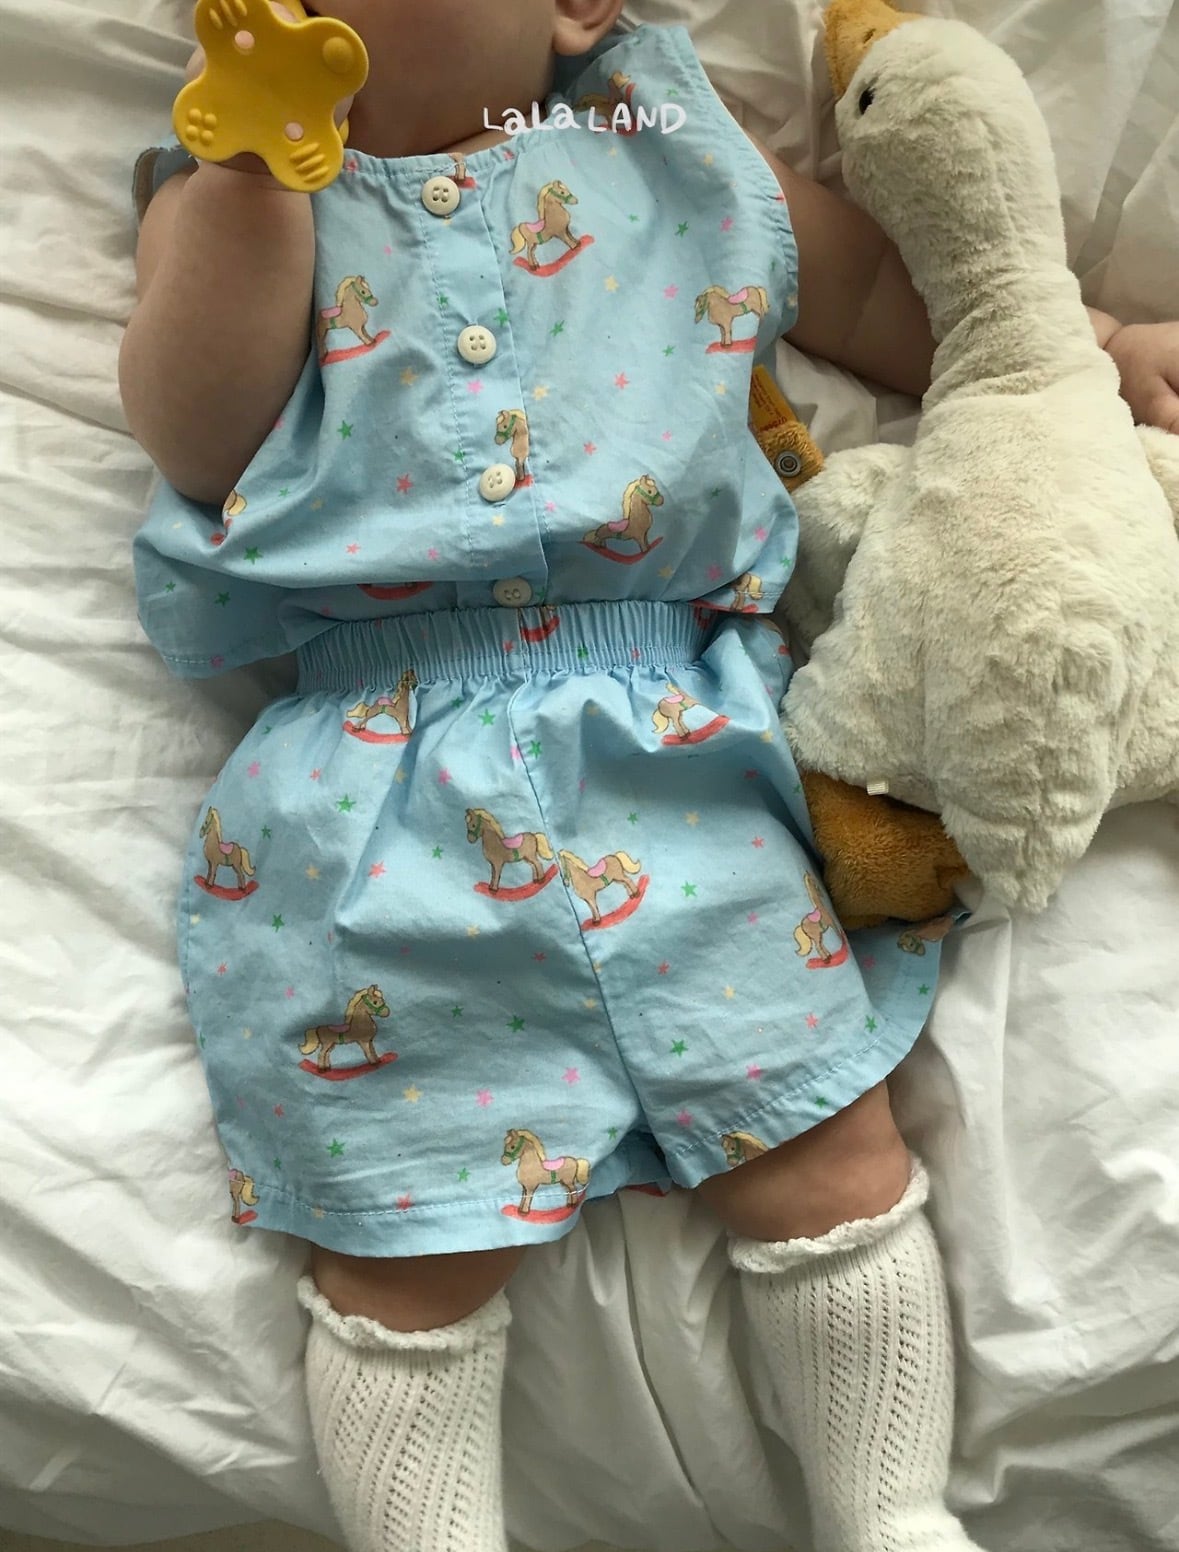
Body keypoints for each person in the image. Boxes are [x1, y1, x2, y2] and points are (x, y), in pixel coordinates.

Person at [119, 3, 1179, 1548]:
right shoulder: (226, 188)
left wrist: (1088, 351)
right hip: (376, 789)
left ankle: (892, 1514)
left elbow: (872, 289)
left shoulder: (655, 132)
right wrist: (256, 167)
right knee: (402, 1229)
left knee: (823, 1142)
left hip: (672, 742)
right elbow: (200, 435)